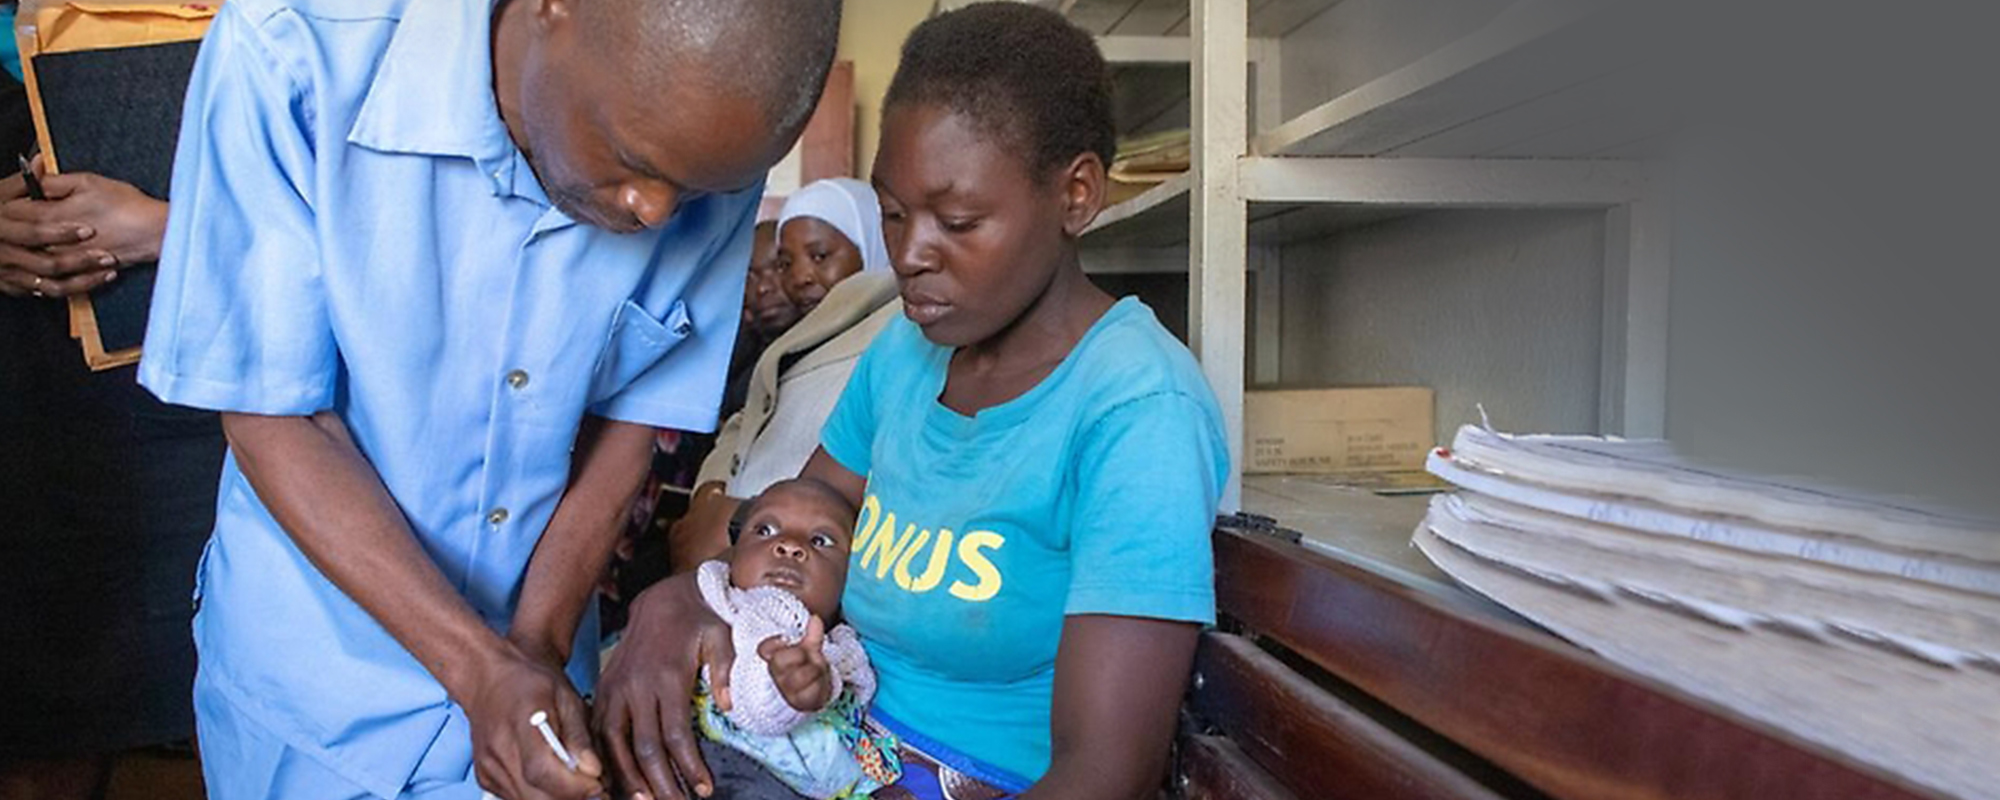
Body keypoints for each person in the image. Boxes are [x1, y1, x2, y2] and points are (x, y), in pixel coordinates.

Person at [134, 0, 840, 798]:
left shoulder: (704, 150)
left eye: (696, 190)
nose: (656, 214)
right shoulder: (289, 51)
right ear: (552, 12)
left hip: (538, 658)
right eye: (630, 158)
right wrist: (480, 670)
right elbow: (275, 415)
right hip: (311, 692)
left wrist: (531, 652)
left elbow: (631, 432)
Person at [597, 5, 1229, 800]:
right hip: (831, 747)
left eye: (957, 221)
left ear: (1075, 196)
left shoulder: (1138, 410)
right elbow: (800, 518)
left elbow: (1104, 775)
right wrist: (678, 601)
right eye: (893, 214)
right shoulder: (903, 352)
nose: (910, 254)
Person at [0, 14, 222, 798]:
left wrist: (176, 229)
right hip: (36, 392)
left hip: (239, 371)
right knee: (46, 691)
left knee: (232, 687)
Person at [671, 178, 900, 573]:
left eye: (820, 255)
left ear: (872, 245)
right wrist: (710, 496)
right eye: (785, 262)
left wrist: (737, 520)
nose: (801, 277)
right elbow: (745, 422)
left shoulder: (894, 329)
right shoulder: (796, 336)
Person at [688, 479, 899, 800]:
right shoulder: (730, 610)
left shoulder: (847, 647)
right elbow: (757, 709)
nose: (789, 545)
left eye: (820, 540)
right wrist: (784, 691)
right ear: (736, 550)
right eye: (765, 531)